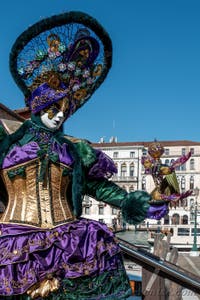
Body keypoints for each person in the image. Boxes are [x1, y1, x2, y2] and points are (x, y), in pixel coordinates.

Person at [0, 11, 168, 299]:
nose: (59, 115)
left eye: (65, 110)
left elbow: (95, 185)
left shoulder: (73, 150)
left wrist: (130, 201)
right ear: (39, 108)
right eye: (53, 109)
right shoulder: (8, 144)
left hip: (68, 235)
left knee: (96, 241)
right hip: (15, 237)